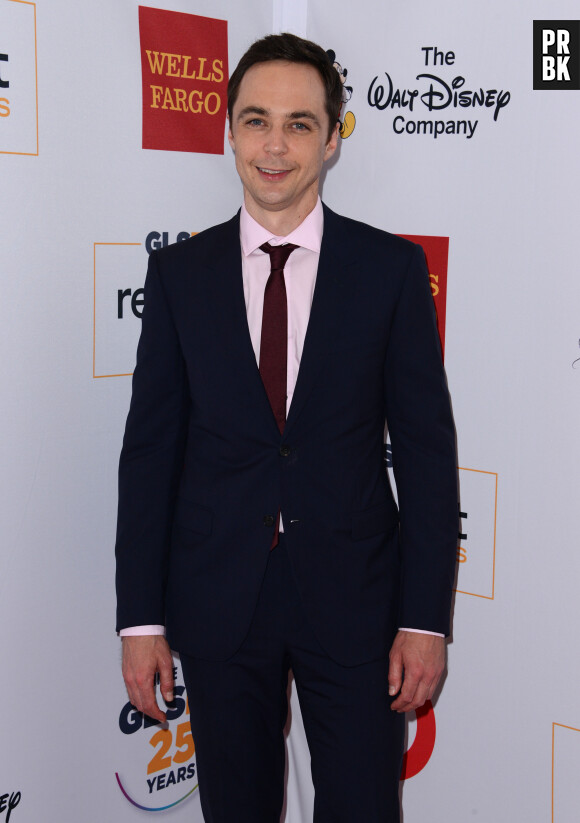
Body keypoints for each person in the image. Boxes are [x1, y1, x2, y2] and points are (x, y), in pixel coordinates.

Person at [116, 32, 458, 823]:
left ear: (333, 138)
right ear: (228, 130)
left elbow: (428, 455)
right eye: (256, 120)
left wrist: (423, 618)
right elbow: (149, 455)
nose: (275, 145)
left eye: (300, 123)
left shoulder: (390, 271)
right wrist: (140, 619)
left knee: (365, 806)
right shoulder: (178, 277)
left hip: (357, 599)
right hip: (217, 597)